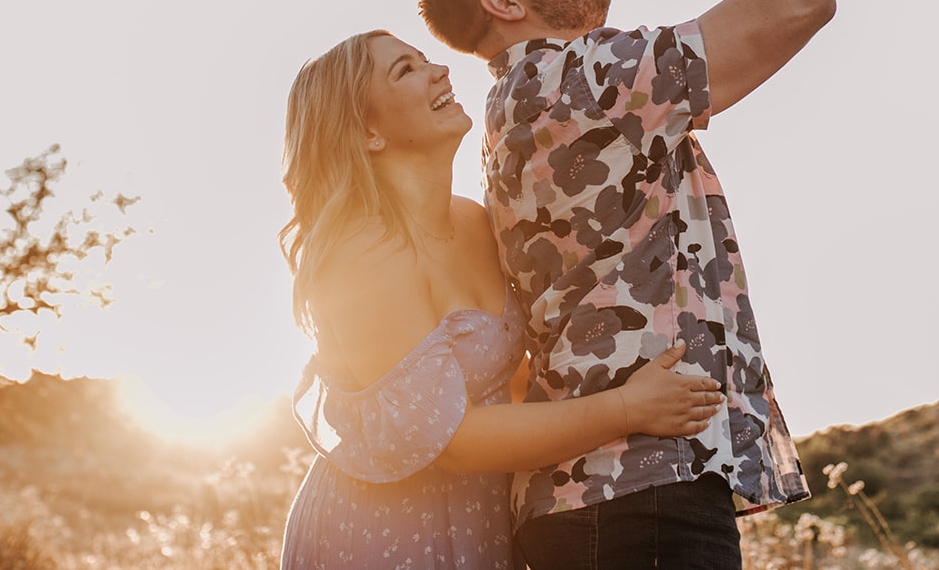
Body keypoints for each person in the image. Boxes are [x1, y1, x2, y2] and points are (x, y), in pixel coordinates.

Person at [415, 0, 832, 569]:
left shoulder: (531, 97)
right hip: (634, 501)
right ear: (502, 2)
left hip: (614, 501)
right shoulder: (572, 79)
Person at [277, 30, 724, 569]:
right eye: (406, 70)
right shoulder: (363, 254)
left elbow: (506, 378)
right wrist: (627, 408)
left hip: (480, 517)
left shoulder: (470, 218)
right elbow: (455, 440)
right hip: (385, 532)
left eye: (424, 58)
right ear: (368, 132)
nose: (437, 69)